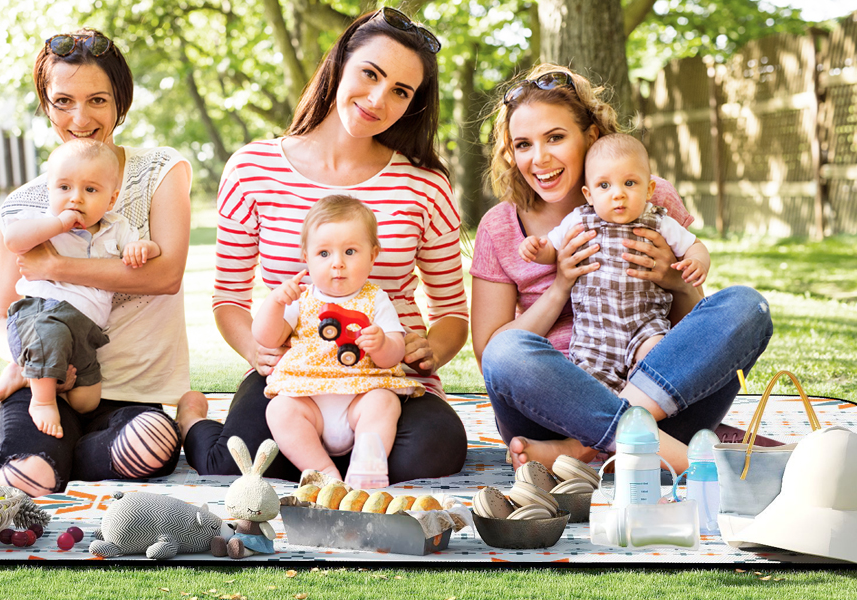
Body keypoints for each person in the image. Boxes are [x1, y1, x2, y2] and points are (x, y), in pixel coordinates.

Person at [178, 7, 470, 483]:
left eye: (400, 91)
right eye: (370, 74)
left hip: (385, 380)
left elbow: (453, 313)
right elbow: (228, 297)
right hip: (295, 377)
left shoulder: (425, 185)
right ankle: (193, 421)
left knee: (433, 453)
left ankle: (346, 458)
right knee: (238, 460)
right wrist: (255, 351)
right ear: (339, 65)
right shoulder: (252, 169)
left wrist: (428, 350)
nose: (378, 99)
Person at [471, 65, 773, 474]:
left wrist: (675, 281)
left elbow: (692, 339)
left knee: (747, 306)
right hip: (546, 415)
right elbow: (489, 356)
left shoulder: (649, 196)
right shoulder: (500, 226)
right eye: (523, 144)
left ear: (591, 135)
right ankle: (659, 451)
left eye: (555, 137)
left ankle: (584, 450)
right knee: (506, 352)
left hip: (661, 402)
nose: (539, 158)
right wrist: (560, 286)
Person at [0, 29, 194, 497]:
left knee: (155, 446)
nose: (80, 118)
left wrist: (54, 268)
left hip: (131, 395)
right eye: (63, 101)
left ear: (120, 101)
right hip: (48, 385)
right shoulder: (26, 207)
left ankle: (57, 458)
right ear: (46, 105)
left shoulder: (160, 170)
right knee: (27, 482)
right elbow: (0, 317)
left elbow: (165, 275)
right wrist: (33, 358)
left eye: (97, 100)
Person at [517, 133, 710, 392]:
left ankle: (638, 400)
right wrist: (537, 249)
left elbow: (694, 245)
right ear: (589, 194)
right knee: (588, 385)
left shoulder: (658, 221)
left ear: (649, 189)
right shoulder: (579, 220)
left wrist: (697, 261)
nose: (618, 194)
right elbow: (552, 249)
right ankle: (613, 411)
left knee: (655, 355)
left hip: (645, 325)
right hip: (594, 336)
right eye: (604, 186)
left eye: (629, 183)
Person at [0, 138, 161, 438]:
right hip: (43, 313)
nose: (75, 199)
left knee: (87, 400)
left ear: (110, 200)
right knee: (50, 338)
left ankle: (32, 372)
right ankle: (41, 400)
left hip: (86, 328)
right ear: (49, 190)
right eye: (64, 187)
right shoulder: (44, 223)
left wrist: (141, 248)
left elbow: (150, 249)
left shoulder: (117, 227)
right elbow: (13, 239)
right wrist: (58, 225)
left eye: (90, 190)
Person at [256, 196, 424, 487]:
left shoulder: (376, 299)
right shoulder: (301, 298)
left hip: (360, 396)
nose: (337, 264)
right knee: (280, 410)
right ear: (306, 257)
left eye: (350, 251)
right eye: (324, 253)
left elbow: (394, 354)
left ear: (372, 255)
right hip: (308, 399)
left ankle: (365, 468)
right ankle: (323, 473)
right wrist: (275, 303)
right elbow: (266, 337)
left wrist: (382, 344)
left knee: (384, 402)